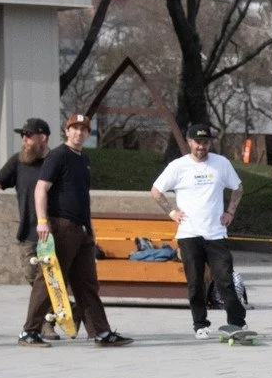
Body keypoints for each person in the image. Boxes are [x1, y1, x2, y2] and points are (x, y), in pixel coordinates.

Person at [0, 115, 62, 345]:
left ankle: (45, 323)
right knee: (33, 278)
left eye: (28, 136)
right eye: (23, 136)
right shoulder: (18, 162)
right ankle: (62, 311)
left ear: (43, 138)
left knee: (46, 280)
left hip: (53, 233)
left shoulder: (56, 161)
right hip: (28, 232)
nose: (24, 140)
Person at [33, 117, 132, 346]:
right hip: (61, 225)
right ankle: (30, 330)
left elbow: (82, 197)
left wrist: (91, 227)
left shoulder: (84, 159)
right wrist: (42, 220)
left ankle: (101, 332)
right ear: (67, 131)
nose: (79, 133)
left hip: (82, 229)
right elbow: (41, 189)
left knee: (87, 283)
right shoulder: (58, 155)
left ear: (88, 134)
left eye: (83, 129)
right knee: (50, 279)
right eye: (75, 128)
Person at [151, 122, 247, 339]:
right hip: (189, 234)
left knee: (225, 279)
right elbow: (156, 191)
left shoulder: (221, 164)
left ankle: (237, 322)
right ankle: (200, 324)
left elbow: (238, 188)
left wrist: (230, 212)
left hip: (215, 233)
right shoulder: (178, 166)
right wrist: (172, 212)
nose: (201, 147)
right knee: (195, 282)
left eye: (205, 142)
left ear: (209, 143)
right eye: (197, 142)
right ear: (189, 142)